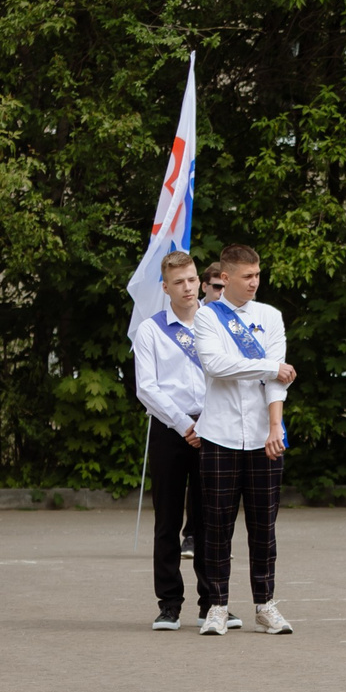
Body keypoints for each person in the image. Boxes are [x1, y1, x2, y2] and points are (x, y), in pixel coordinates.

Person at [190, 243, 297, 637]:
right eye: (247, 276)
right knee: (216, 525)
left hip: (262, 435)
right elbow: (216, 365)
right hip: (218, 436)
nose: (254, 282)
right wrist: (270, 366)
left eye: (257, 275)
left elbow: (278, 383)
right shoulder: (207, 316)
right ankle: (217, 606)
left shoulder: (270, 316)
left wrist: (275, 426)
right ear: (226, 277)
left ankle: (265, 605)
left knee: (263, 526)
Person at [132, 251, 210, 631]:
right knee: (167, 519)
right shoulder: (150, 330)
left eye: (192, 279)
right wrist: (183, 425)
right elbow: (146, 388)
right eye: (179, 282)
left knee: (211, 520)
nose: (188, 288)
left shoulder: (216, 324)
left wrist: (206, 423)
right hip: (169, 430)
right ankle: (169, 604)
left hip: (213, 428)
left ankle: (213, 602)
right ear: (165, 288)